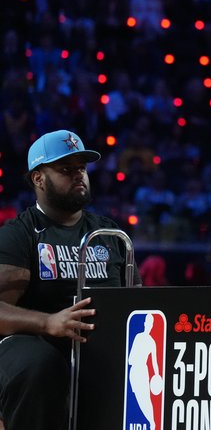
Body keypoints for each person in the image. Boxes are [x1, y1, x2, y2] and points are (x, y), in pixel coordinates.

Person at [0, 130, 140, 430]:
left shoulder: (109, 234)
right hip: (34, 342)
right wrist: (48, 322)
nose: (78, 176)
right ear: (38, 178)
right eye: (66, 170)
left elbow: (138, 301)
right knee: (40, 365)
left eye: (82, 168)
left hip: (103, 343)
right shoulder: (19, 234)